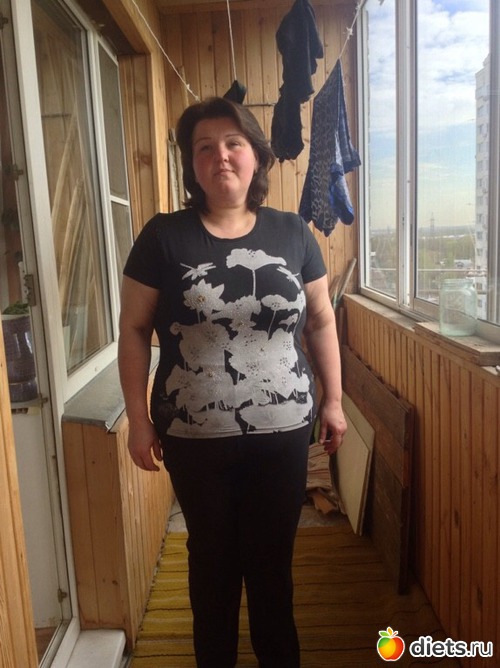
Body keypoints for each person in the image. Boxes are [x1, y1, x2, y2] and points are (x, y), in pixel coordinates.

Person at [118, 96, 347, 668]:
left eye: (232, 143)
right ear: (192, 166)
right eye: (204, 147)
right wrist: (138, 421)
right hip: (194, 438)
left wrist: (335, 401)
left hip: (283, 432)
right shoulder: (163, 237)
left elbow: (321, 321)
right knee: (212, 563)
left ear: (256, 156)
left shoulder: (293, 232)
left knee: (272, 565)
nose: (220, 156)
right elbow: (134, 330)